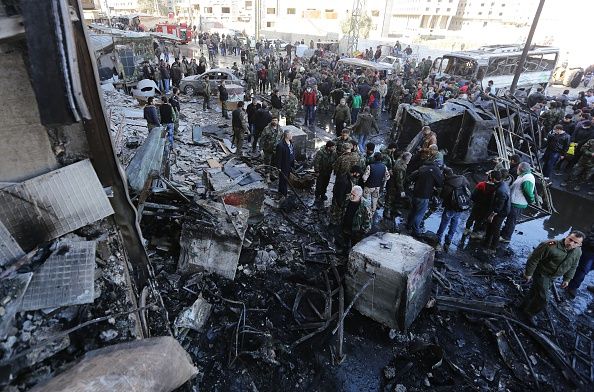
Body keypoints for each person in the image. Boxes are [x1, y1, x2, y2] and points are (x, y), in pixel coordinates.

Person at [521, 231, 584, 326]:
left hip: (553, 276)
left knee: (535, 291)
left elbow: (573, 266)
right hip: (541, 273)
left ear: (580, 244)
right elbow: (534, 258)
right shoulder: (550, 245)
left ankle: (522, 306)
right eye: (570, 239)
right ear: (566, 236)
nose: (571, 243)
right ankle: (528, 314)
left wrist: (567, 279)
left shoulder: (578, 251)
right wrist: (528, 273)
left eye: (575, 242)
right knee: (544, 299)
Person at [435, 167, 471, 252]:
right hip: (460, 206)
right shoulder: (462, 178)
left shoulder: (448, 183)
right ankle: (449, 239)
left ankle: (438, 239)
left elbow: (443, 196)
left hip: (450, 207)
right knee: (455, 222)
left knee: (444, 223)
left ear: (445, 174)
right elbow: (468, 187)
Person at [500, 162, 536, 243]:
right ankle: (504, 233)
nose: (517, 169)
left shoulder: (528, 178)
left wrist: (531, 200)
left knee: (511, 221)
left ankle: (506, 237)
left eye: (518, 168)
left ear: (521, 169)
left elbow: (528, 192)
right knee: (509, 220)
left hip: (518, 204)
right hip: (515, 202)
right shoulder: (523, 176)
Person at [407, 160, 444, 236]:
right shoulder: (435, 170)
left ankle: (408, 225)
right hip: (424, 196)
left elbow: (410, 177)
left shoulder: (422, 168)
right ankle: (416, 231)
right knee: (420, 213)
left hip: (415, 193)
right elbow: (439, 184)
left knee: (413, 210)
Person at [482, 170, 510, 254]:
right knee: (490, 226)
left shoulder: (501, 191)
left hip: (501, 213)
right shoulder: (503, 184)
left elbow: (499, 206)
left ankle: (493, 248)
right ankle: (486, 242)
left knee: (495, 229)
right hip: (500, 210)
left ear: (493, 179)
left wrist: (492, 215)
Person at [338, 185, 372, 251]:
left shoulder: (365, 205)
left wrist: (361, 232)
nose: (351, 196)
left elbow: (368, 222)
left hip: (356, 231)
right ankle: (345, 250)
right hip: (345, 227)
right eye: (351, 194)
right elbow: (341, 209)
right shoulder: (347, 198)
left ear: (359, 196)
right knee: (345, 241)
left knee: (355, 246)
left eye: (354, 195)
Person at [362, 152, 390, 217]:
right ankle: (371, 215)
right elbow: (388, 177)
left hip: (368, 187)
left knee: (366, 201)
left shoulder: (370, 166)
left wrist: (364, 181)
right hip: (377, 187)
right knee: (374, 201)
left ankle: (365, 215)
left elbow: (364, 177)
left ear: (374, 158)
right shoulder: (384, 167)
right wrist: (383, 181)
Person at [385, 152, 412, 219]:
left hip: (394, 183)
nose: (410, 160)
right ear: (407, 159)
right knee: (390, 198)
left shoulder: (400, 160)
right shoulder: (400, 167)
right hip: (393, 185)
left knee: (395, 198)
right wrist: (402, 191)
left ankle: (394, 210)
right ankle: (386, 212)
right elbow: (399, 181)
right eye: (410, 159)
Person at [276, 129, 295, 197]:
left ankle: (283, 191)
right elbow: (278, 158)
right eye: (291, 134)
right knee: (283, 179)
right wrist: (279, 167)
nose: (292, 135)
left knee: (287, 178)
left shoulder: (291, 143)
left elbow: (292, 153)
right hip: (283, 165)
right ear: (287, 135)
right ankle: (282, 193)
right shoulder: (280, 145)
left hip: (289, 164)